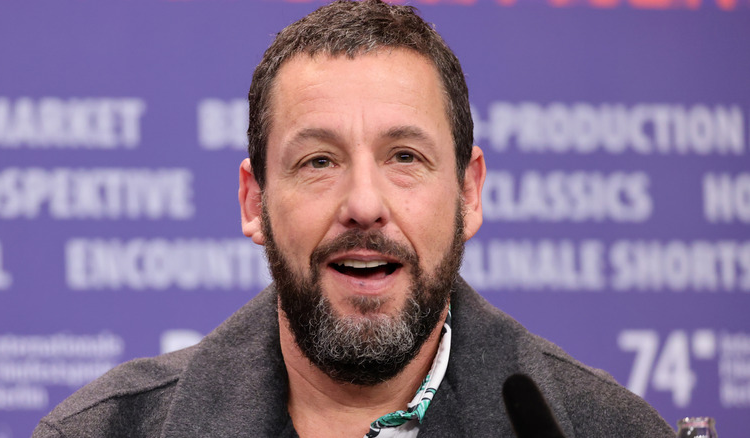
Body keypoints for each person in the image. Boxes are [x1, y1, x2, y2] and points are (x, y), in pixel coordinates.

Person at [33, 1, 675, 436]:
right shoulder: (102, 430)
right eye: (318, 160)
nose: (364, 204)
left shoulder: (605, 426)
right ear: (254, 201)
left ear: (468, 193)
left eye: (405, 156)